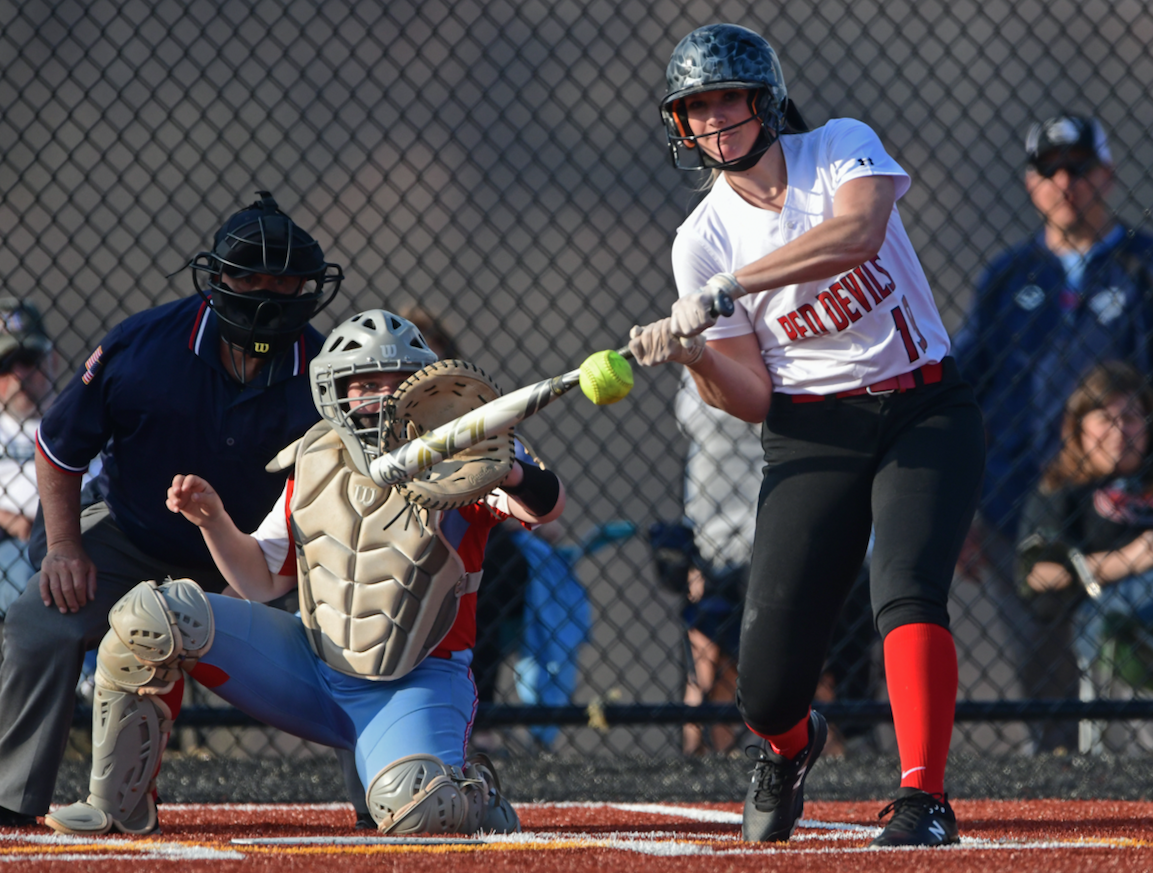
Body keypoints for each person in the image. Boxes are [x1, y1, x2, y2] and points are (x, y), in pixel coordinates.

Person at [627, 24, 985, 847]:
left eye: (727, 99)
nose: (714, 119)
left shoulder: (837, 148)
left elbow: (857, 233)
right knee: (766, 689)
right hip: (811, 433)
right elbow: (750, 397)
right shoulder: (698, 239)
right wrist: (692, 354)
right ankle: (791, 749)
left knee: (904, 587)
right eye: (695, 107)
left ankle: (921, 796)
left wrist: (729, 289)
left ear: (764, 100)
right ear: (680, 127)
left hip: (923, 407)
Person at [44, 309, 565, 836]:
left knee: (416, 811)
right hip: (314, 666)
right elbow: (260, 581)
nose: (382, 396)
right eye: (365, 384)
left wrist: (513, 468)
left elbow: (544, 509)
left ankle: (474, 793)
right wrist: (214, 521)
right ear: (335, 389)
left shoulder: (462, 455)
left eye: (396, 382)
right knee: (151, 616)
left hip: (419, 679)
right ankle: (117, 806)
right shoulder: (317, 458)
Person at [0, 191, 341, 828]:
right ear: (219, 278)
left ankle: (390, 791)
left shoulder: (326, 370)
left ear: (308, 287)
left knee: (361, 624)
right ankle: (10, 800)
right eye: (250, 275)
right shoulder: (147, 347)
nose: (267, 292)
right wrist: (67, 548)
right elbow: (58, 446)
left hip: (267, 559)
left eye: (284, 278)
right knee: (41, 620)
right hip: (134, 538)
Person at [953, 114, 1153, 750]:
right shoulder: (1009, 278)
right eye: (1050, 170)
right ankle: (1064, 825)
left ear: (1106, 174)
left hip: (1133, 519)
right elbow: (963, 396)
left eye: (1079, 168)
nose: (1065, 182)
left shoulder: (1142, 268)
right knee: (1049, 702)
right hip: (1019, 512)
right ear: (1031, 184)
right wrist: (961, 512)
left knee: (1130, 685)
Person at [1016, 362, 1153, 751]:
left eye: (1130, 418)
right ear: (1079, 426)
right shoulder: (1062, 489)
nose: (1119, 431)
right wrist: (1131, 558)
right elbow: (1038, 573)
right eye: (1105, 419)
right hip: (1099, 624)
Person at [0, 299, 55, 625]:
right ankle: (84, 676)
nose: (21, 374)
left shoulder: (83, 423)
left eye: (29, 359)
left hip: (79, 540)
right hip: (12, 544)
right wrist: (12, 520)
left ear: (53, 361)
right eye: (8, 364)